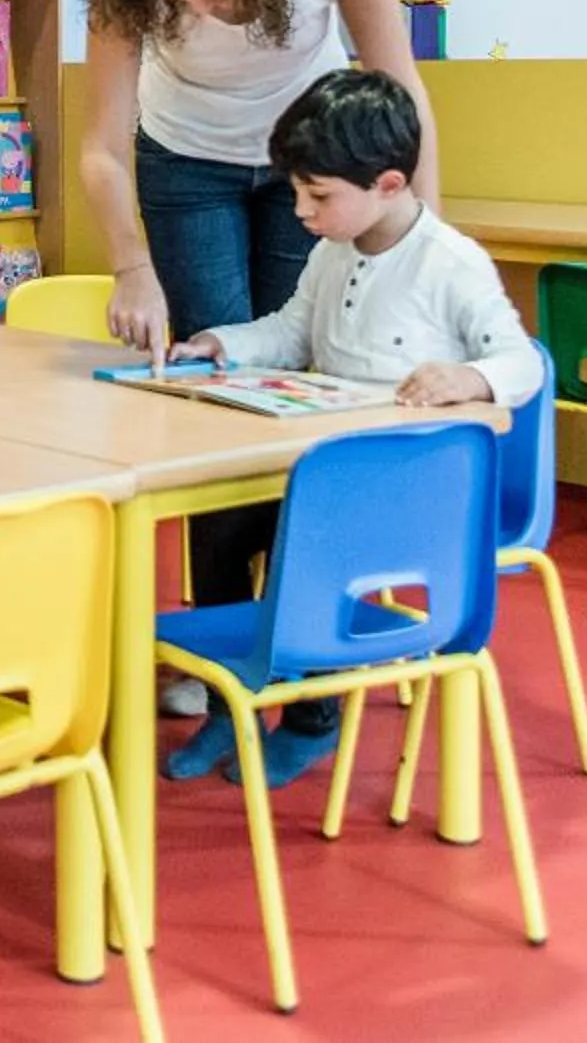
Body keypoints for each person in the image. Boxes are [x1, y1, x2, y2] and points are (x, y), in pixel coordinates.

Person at [78, 0, 442, 722]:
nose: (198, 7)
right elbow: (101, 145)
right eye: (177, 0)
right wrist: (132, 268)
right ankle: (220, 649)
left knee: (303, 386)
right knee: (216, 394)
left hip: (308, 161)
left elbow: (400, 90)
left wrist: (419, 246)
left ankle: (303, 636)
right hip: (185, 161)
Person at [158, 68, 537, 784]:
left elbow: (522, 361)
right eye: (298, 192)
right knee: (220, 523)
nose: (301, 210)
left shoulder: (450, 262)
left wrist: (471, 379)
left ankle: (313, 719)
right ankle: (229, 701)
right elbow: (291, 331)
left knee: (304, 535)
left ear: (388, 184)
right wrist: (222, 343)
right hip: (326, 468)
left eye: (319, 195)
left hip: (404, 491)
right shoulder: (334, 249)